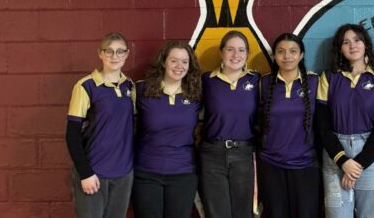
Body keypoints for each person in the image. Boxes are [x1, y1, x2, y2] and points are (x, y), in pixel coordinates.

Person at [317, 24, 374, 218]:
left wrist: (358, 163)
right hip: (335, 154)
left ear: (366, 44)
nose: (353, 45)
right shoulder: (328, 77)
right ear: (339, 48)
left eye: (357, 40)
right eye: (346, 42)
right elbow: (322, 124)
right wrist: (343, 161)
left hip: (369, 154)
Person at [65, 32, 135, 218]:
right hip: (94, 173)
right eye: (109, 51)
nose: (114, 56)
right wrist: (85, 173)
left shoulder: (130, 86)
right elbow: (72, 135)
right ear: (100, 54)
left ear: (127, 54)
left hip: (123, 174)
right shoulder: (85, 86)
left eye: (120, 52)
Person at [132, 41, 202, 218]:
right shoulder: (141, 89)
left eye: (185, 62)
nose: (179, 66)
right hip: (147, 173)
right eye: (174, 61)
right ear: (163, 62)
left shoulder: (196, 94)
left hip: (183, 173)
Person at [257, 33, 320, 218]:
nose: (287, 56)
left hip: (305, 164)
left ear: (301, 55)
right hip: (271, 164)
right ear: (275, 56)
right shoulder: (264, 82)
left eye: (293, 51)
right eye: (281, 52)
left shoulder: (315, 81)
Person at [199, 30, 260, 218]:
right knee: (217, 213)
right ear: (221, 52)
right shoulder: (207, 81)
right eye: (230, 49)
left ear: (247, 54)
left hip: (244, 154)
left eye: (241, 50)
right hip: (212, 155)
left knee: (244, 213)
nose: (236, 55)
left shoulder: (256, 80)